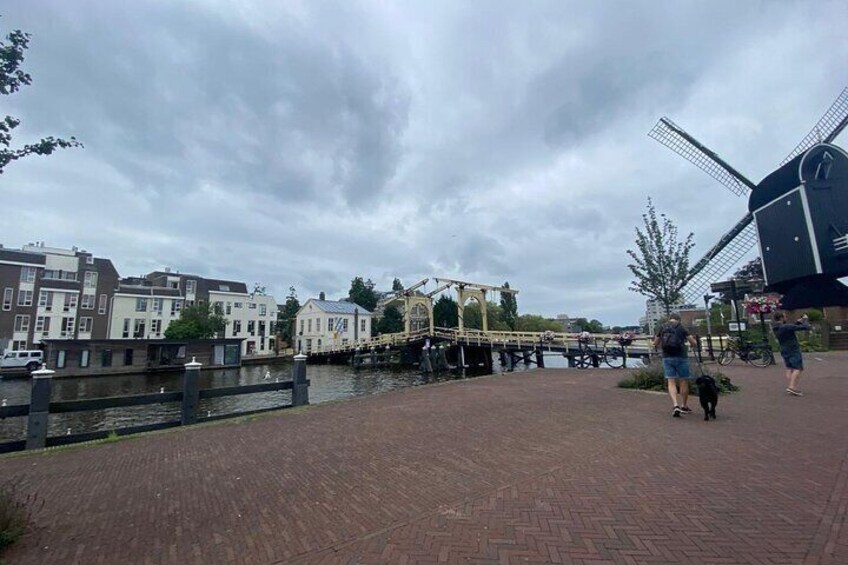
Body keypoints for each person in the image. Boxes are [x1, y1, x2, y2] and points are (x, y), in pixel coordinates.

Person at [653, 313, 699, 418]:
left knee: (671, 381)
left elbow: (655, 343)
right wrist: (690, 343)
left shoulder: (662, 327)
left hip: (667, 357)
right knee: (683, 381)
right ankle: (684, 405)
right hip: (681, 356)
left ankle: (675, 405)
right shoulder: (681, 327)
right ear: (679, 320)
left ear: (670, 319)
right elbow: (693, 342)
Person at [772, 312, 811, 396]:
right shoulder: (786, 326)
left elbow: (790, 328)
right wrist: (805, 319)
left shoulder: (776, 327)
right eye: (785, 316)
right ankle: (792, 387)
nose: (786, 318)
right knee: (798, 368)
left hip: (783, 349)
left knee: (789, 368)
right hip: (793, 349)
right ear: (782, 318)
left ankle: (792, 385)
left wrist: (798, 322)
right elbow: (806, 327)